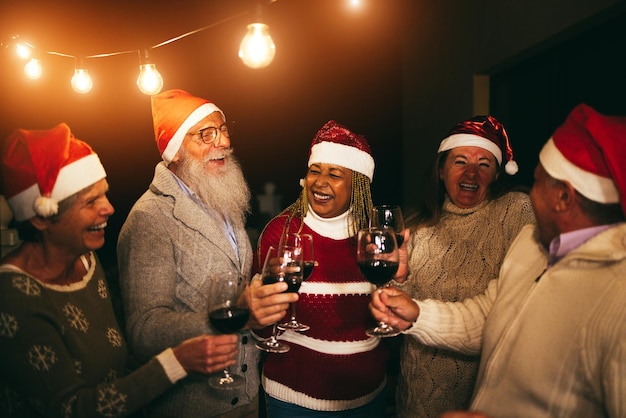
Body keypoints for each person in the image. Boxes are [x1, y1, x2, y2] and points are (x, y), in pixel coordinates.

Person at [371, 103, 626, 417]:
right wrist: (417, 314)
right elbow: (489, 317)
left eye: (537, 181)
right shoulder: (531, 248)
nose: (529, 194)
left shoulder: (618, 297)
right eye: (460, 161)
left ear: (563, 197)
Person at [0, 123, 240, 417]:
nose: (109, 209)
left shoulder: (85, 260)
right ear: (41, 218)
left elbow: (115, 362)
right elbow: (71, 409)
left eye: (104, 194)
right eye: (90, 202)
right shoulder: (13, 296)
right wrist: (177, 362)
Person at [117, 89, 259, 417]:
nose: (222, 142)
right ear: (176, 151)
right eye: (205, 134)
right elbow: (144, 330)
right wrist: (233, 313)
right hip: (194, 405)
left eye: (223, 130)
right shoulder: (150, 217)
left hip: (247, 394)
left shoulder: (221, 196)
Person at [389, 115, 535, 417]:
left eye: (484, 163)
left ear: (497, 174)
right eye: (460, 162)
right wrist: (398, 278)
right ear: (441, 171)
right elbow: (398, 315)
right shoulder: (417, 228)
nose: (472, 172)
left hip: (481, 404)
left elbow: (517, 310)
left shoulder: (515, 211)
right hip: (416, 397)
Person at [247, 120, 390, 417]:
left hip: (368, 398)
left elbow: (390, 315)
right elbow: (263, 331)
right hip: (294, 402)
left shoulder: (372, 237)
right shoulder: (281, 232)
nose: (320, 182)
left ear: (358, 185)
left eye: (334, 174)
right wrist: (260, 309)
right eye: (315, 171)